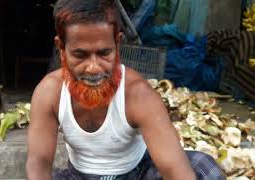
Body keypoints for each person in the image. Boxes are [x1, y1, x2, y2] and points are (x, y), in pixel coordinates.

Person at [26, 0, 225, 179]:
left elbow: (175, 170)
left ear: (118, 44)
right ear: (61, 47)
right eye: (80, 55)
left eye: (104, 53)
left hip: (137, 174)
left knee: (204, 167)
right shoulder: (49, 92)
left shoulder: (138, 94)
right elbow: (39, 165)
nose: (94, 67)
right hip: (78, 176)